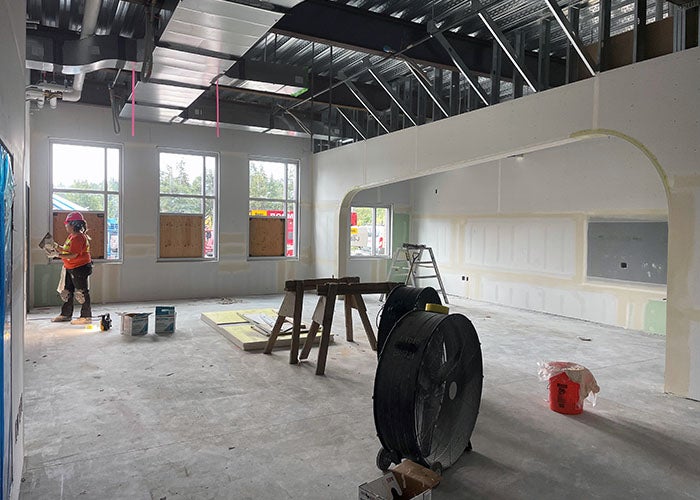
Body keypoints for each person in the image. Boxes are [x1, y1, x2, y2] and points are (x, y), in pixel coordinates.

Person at [52, 211, 93, 324]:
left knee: (81, 293)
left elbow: (73, 255)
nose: (65, 226)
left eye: (67, 223)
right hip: (70, 267)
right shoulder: (71, 236)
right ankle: (66, 314)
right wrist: (55, 247)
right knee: (67, 292)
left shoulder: (79, 238)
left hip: (79, 268)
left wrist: (57, 255)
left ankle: (86, 317)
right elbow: (67, 251)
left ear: (73, 224)